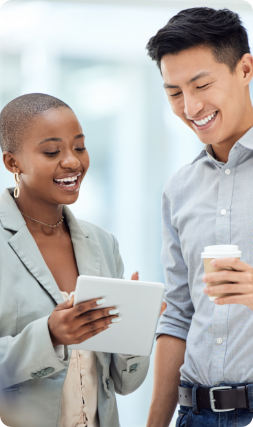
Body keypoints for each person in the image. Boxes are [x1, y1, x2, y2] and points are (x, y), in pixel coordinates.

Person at [0, 93, 149, 427]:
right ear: (13, 163)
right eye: (52, 151)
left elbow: (126, 383)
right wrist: (49, 336)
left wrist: (137, 329)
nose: (72, 161)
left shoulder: (102, 243)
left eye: (79, 147)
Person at [145, 7, 253, 427]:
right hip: (194, 415)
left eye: (201, 84)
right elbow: (178, 315)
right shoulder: (179, 188)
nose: (190, 107)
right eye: (174, 93)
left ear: (245, 69)